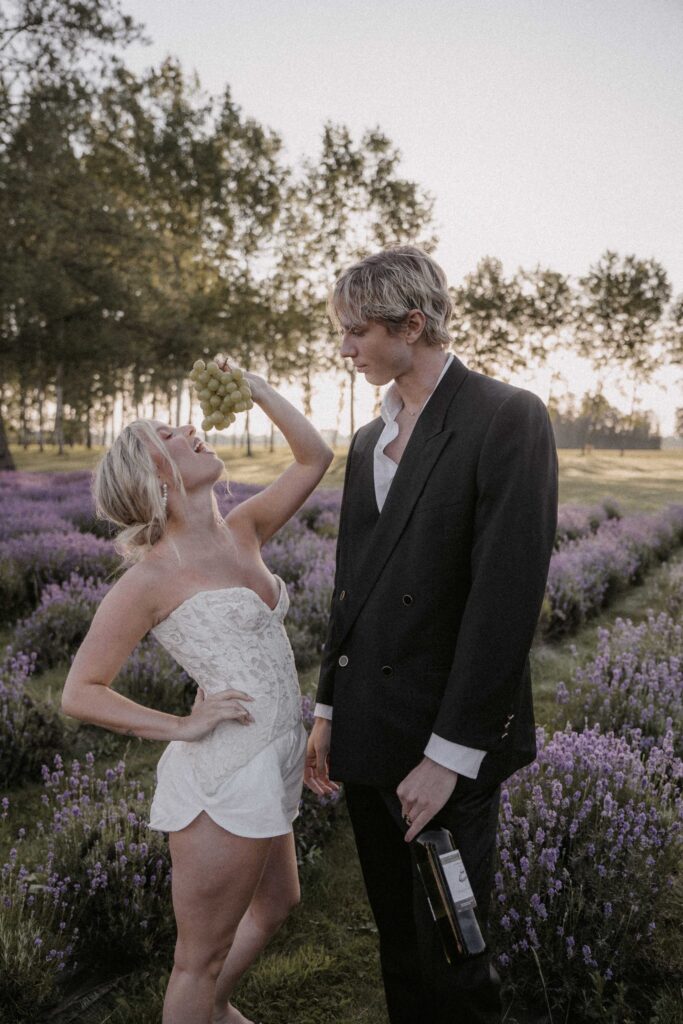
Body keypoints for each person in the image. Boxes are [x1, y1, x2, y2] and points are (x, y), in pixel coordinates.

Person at [305, 246, 558, 1024]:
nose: (343, 349)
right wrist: (326, 710)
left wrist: (447, 757)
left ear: (412, 324)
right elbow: (351, 587)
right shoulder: (364, 440)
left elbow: (504, 601)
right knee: (398, 948)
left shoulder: (505, 416)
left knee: (453, 953)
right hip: (371, 731)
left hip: (445, 746)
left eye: (355, 332)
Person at [61, 365, 333, 1024]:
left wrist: (259, 391)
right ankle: (201, 1003)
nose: (190, 428)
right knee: (195, 958)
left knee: (276, 906)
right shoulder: (151, 577)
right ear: (155, 476)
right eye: (167, 434)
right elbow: (80, 692)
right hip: (224, 776)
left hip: (272, 756)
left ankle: (213, 1011)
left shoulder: (243, 529)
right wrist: (181, 726)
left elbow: (315, 456)